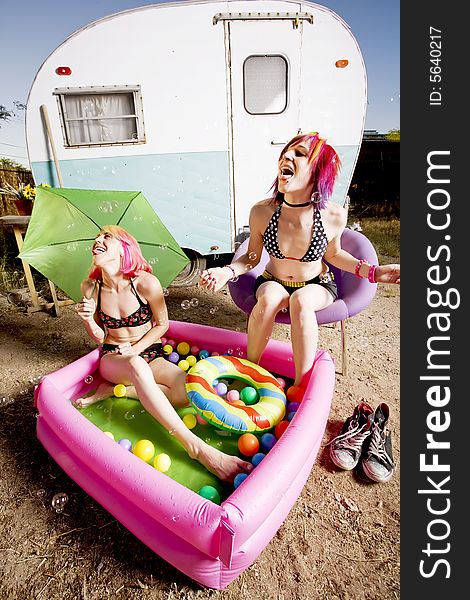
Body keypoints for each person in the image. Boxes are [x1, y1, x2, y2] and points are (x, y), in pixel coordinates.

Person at [199, 132, 400, 398]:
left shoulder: (333, 215)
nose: (287, 156)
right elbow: (252, 257)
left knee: (302, 301)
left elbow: (336, 255)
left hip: (316, 284)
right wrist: (227, 271)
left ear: (318, 171)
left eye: (300, 154)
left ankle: (300, 384)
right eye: (287, 152)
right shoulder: (262, 212)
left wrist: (373, 272)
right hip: (274, 280)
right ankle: (248, 369)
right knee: (269, 299)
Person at [74, 225, 252, 482]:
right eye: (97, 237)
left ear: (125, 247)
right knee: (135, 365)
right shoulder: (91, 286)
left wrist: (135, 348)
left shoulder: (145, 283)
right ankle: (197, 449)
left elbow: (162, 325)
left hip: (149, 353)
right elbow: (101, 338)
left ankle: (120, 391)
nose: (97, 240)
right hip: (114, 358)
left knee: (184, 392)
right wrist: (89, 320)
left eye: (106, 236)